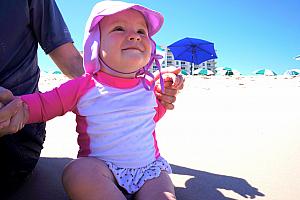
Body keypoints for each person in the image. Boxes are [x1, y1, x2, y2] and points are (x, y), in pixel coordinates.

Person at [0, 0, 183, 198]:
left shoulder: (148, 86)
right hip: (100, 169)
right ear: (95, 45)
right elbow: (45, 104)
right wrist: (16, 107)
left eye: (141, 32)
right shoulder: (84, 86)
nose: (134, 36)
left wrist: (165, 91)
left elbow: (146, 119)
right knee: (77, 172)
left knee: (163, 192)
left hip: (149, 169)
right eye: (119, 28)